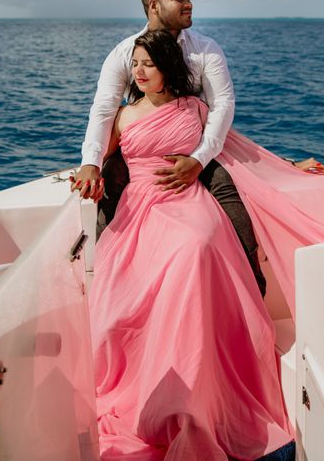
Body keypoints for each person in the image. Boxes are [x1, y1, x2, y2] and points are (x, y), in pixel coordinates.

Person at [81, 29, 294, 460]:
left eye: (149, 64)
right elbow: (99, 153)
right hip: (140, 206)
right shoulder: (122, 118)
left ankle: (199, 379)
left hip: (187, 198)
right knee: (127, 283)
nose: (139, 72)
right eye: (135, 64)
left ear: (168, 69)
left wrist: (292, 167)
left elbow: (235, 151)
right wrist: (90, 168)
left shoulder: (193, 108)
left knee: (196, 245)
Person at [72, 0, 267, 296]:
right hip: (142, 149)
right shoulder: (124, 53)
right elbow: (104, 109)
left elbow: (222, 105)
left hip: (197, 145)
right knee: (108, 195)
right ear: (154, 6)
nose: (189, 4)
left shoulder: (205, 49)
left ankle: (251, 288)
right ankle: (112, 287)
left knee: (229, 198)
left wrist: (199, 159)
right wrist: (90, 160)